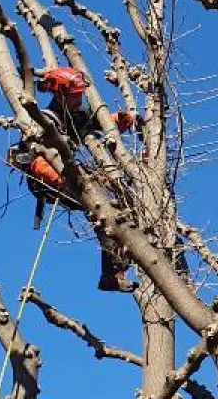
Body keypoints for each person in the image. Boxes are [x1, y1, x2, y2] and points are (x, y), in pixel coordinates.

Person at [11, 68, 133, 291]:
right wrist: (60, 180)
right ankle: (112, 273)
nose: (80, 98)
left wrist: (121, 119)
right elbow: (34, 161)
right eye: (76, 95)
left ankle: (122, 258)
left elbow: (96, 121)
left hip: (67, 171)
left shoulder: (74, 114)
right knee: (103, 206)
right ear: (60, 95)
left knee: (121, 196)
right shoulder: (44, 121)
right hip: (46, 179)